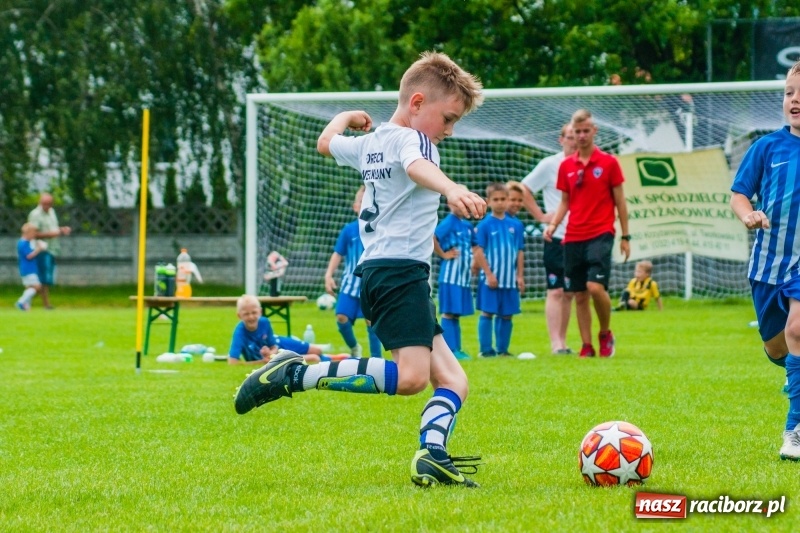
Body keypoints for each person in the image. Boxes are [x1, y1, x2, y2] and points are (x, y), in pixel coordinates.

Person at [234, 51, 486, 488]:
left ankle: (432, 454)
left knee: (452, 379)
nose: (449, 130)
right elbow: (417, 166)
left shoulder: (370, 144)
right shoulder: (415, 141)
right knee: (411, 379)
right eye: (448, 118)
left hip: (383, 273)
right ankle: (295, 373)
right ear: (418, 103)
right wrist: (451, 187)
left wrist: (345, 117)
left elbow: (326, 143)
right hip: (399, 274)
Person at [729, 60, 800, 461]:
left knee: (798, 330)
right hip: (768, 265)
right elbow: (739, 194)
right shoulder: (767, 147)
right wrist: (748, 215)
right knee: (777, 348)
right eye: (789, 93)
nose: (795, 100)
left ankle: (795, 430)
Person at [542, 109, 630, 358]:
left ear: (594, 131)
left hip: (601, 233)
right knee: (579, 293)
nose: (581, 136)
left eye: (585, 131)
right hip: (572, 236)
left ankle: (605, 333)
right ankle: (587, 345)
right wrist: (553, 225)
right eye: (577, 132)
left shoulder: (609, 163)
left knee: (595, 287)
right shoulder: (566, 166)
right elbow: (565, 202)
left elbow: (621, 202)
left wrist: (626, 236)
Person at [521, 124, 578, 354]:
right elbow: (524, 188)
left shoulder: (586, 165)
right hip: (555, 236)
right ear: (561, 140)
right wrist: (540, 216)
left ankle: (563, 341)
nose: (574, 141)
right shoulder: (550, 164)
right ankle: (555, 343)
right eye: (570, 137)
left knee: (570, 291)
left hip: (579, 236)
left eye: (577, 136)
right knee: (556, 290)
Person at [324, 185, 383, 358]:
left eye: (368, 202)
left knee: (371, 321)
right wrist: (328, 275)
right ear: (355, 206)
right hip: (350, 284)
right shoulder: (349, 230)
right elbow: (338, 254)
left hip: (371, 284)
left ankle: (376, 358)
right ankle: (354, 347)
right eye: (361, 202)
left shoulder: (378, 229)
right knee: (341, 316)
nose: (365, 205)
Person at [473, 183, 525, 357]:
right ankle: (486, 350)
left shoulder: (516, 225)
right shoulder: (485, 225)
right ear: (488, 201)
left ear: (508, 200)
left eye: (503, 199)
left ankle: (503, 350)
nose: (500, 202)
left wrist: (520, 276)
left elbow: (520, 251)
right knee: (488, 312)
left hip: (509, 279)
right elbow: (478, 250)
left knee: (507, 314)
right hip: (491, 279)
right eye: (496, 199)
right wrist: (488, 274)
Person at [227, 295, 348, 365]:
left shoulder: (264, 322)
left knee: (317, 350)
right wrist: (262, 361)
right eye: (246, 314)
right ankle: (338, 361)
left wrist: (270, 353)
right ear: (239, 315)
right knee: (314, 358)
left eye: (254, 313)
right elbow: (232, 362)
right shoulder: (239, 332)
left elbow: (273, 346)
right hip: (276, 358)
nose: (251, 317)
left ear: (260, 312)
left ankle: (335, 357)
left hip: (280, 342)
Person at [433, 185, 477, 361]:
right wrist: (444, 254)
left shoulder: (467, 225)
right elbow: (432, 237)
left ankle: (457, 348)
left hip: (462, 278)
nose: (463, 206)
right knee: (449, 312)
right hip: (450, 277)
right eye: (459, 202)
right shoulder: (449, 222)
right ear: (450, 203)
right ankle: (450, 350)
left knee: (456, 313)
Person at [27, 192, 71, 309]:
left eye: (49, 204)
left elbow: (53, 229)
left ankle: (27, 300)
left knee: (48, 278)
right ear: (40, 202)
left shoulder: (52, 212)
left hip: (52, 249)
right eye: (44, 203)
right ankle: (43, 304)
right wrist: (51, 234)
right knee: (44, 278)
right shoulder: (35, 214)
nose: (47, 206)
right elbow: (32, 234)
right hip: (41, 249)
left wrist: (61, 230)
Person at [16, 223, 45, 311]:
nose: (34, 235)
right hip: (29, 269)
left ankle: (26, 307)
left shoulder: (26, 243)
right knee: (37, 287)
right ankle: (21, 301)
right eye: (33, 233)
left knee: (29, 287)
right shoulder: (23, 243)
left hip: (27, 269)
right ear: (27, 232)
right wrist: (39, 249)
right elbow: (29, 256)